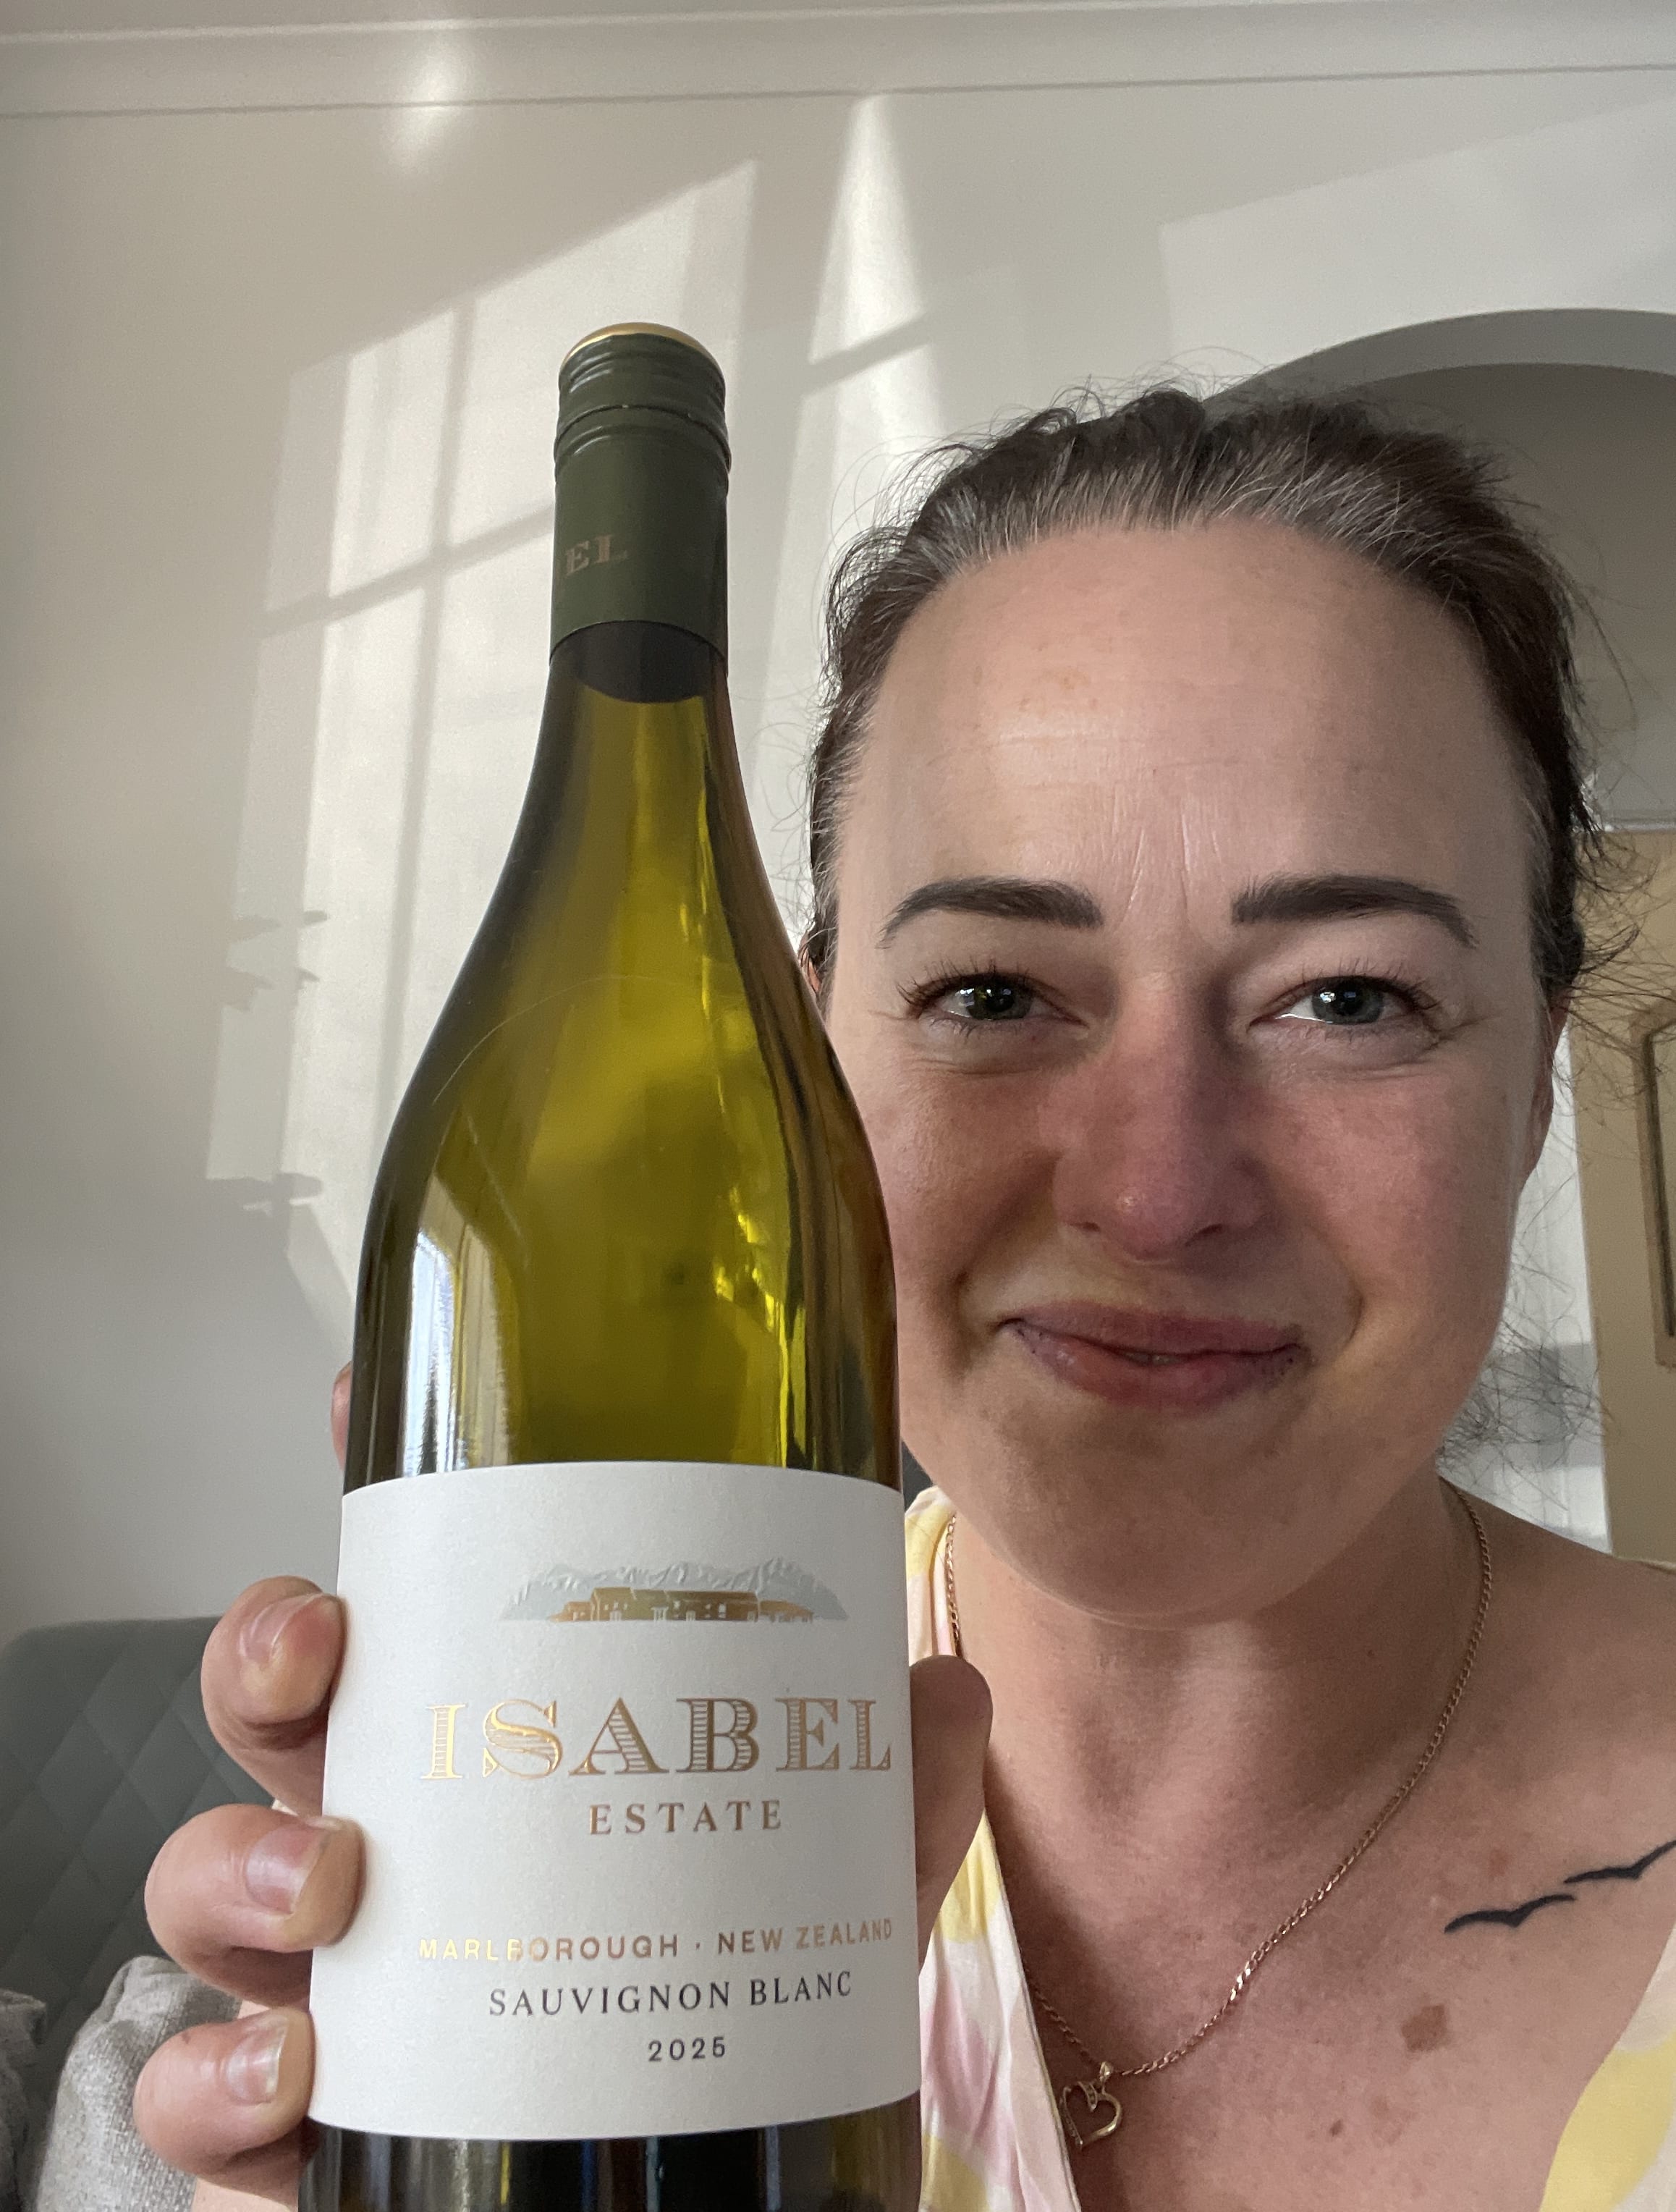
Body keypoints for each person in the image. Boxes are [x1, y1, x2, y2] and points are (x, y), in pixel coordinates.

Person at [131, 387, 1676, 2211]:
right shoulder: (544, 1884)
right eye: (990, 994)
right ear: (791, 1065)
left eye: (1348, 997)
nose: (1154, 1191)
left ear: (1531, 1090)